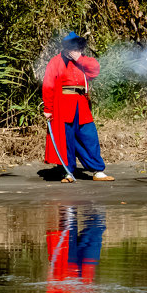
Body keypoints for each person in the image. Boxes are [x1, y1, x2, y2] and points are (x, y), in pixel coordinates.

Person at [42, 32, 114, 183]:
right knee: (65, 139)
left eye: (78, 48)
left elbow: (95, 70)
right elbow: (48, 85)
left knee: (89, 136)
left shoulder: (84, 61)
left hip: (81, 105)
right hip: (62, 105)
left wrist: (79, 58)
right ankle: (68, 172)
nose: (76, 50)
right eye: (73, 48)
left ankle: (97, 170)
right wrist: (48, 109)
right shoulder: (55, 62)